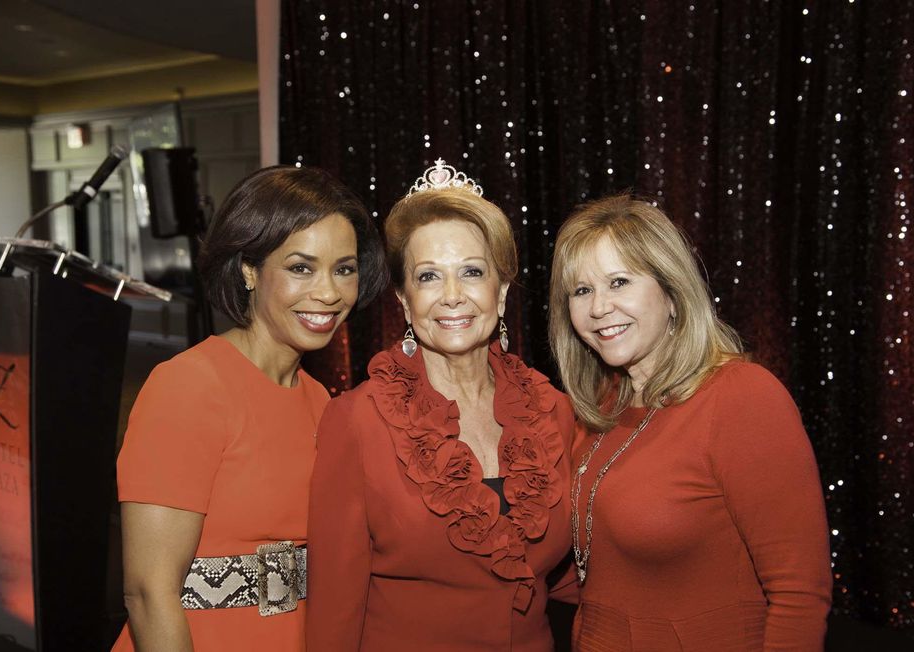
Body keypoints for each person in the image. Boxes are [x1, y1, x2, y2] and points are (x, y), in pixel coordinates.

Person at [112, 165, 386, 652]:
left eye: (344, 268)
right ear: (249, 269)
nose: (328, 292)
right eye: (301, 267)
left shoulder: (321, 401)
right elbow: (149, 593)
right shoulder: (190, 386)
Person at [306, 160, 577, 651]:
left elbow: (580, 572)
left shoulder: (554, 410)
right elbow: (334, 607)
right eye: (429, 277)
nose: (453, 297)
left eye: (472, 272)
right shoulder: (357, 420)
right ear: (405, 302)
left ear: (501, 293)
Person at [548, 193, 832, 651]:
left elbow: (800, 593)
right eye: (581, 290)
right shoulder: (600, 408)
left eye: (619, 282)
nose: (598, 307)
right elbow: (597, 569)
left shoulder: (742, 397)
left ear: (673, 293)